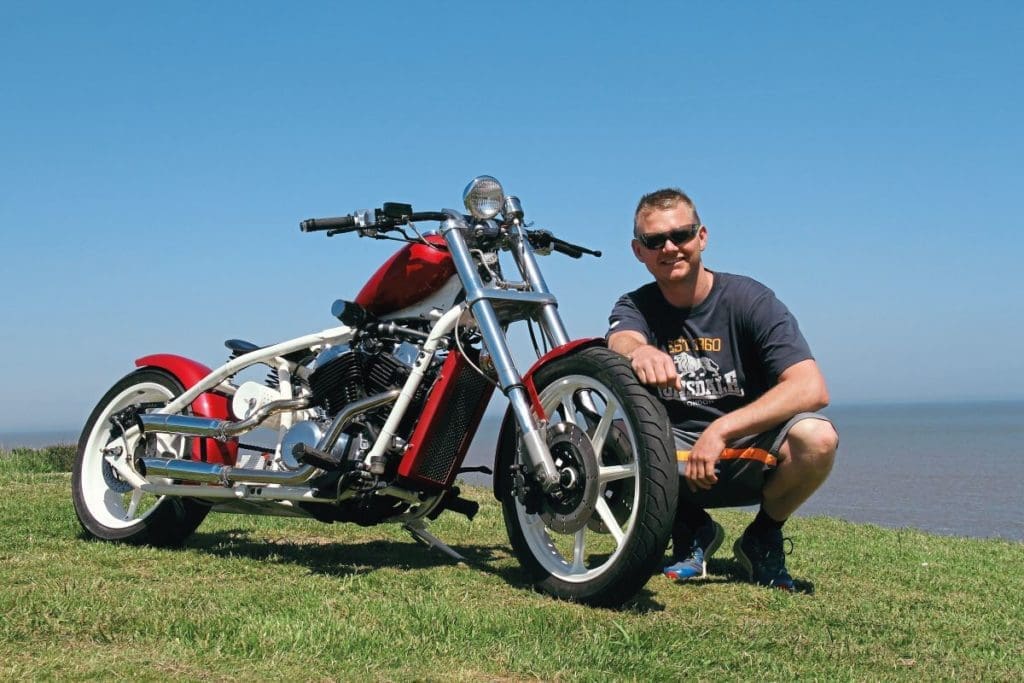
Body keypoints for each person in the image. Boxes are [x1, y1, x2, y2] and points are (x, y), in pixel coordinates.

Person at [607, 188, 839, 591]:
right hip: (670, 455)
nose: (669, 247)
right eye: (654, 240)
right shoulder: (635, 305)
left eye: (680, 235)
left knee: (817, 438)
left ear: (702, 237)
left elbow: (811, 387)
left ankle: (762, 537)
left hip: (743, 449)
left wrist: (720, 431)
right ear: (638, 251)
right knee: (602, 443)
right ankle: (691, 528)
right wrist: (639, 351)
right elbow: (620, 339)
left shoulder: (749, 300)